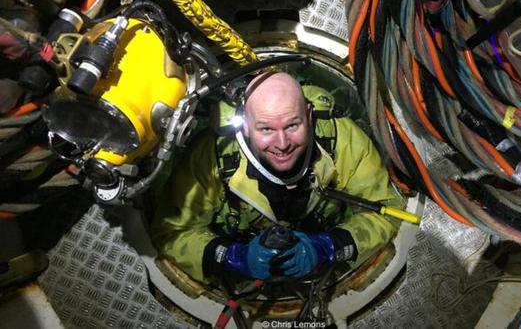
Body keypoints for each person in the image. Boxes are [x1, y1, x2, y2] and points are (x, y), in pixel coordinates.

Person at [151, 72, 405, 284]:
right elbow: (171, 231)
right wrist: (232, 256)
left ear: (308, 115)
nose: (282, 144)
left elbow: (389, 211)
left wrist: (329, 247)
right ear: (246, 126)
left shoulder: (342, 140)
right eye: (266, 129)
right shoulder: (213, 155)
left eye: (292, 125)